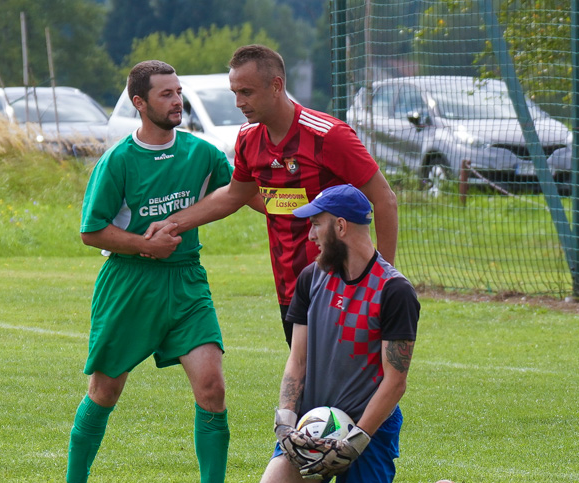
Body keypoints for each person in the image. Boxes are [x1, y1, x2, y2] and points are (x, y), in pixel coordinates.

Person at [242, 184, 474, 483]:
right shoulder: (310, 278)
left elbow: (395, 382)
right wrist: (286, 417)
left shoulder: (394, 291)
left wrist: (357, 439)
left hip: (371, 429)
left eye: (316, 224)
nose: (311, 233)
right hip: (311, 424)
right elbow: (297, 359)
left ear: (340, 226)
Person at [58, 61, 234, 483]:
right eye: (165, 94)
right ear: (140, 103)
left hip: (187, 280)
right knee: (105, 390)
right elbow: (91, 231)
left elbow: (240, 192)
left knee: (212, 387)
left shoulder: (202, 153)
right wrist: (143, 246)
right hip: (129, 283)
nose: (177, 101)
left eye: (179, 92)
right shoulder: (117, 161)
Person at [146, 44, 398, 347]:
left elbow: (385, 200)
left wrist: (383, 281)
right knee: (304, 381)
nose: (238, 102)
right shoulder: (249, 139)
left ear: (276, 86)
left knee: (350, 386)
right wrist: (172, 223)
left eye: (247, 92)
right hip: (291, 288)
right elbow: (232, 195)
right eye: (235, 92)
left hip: (343, 284)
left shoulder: (329, 136)